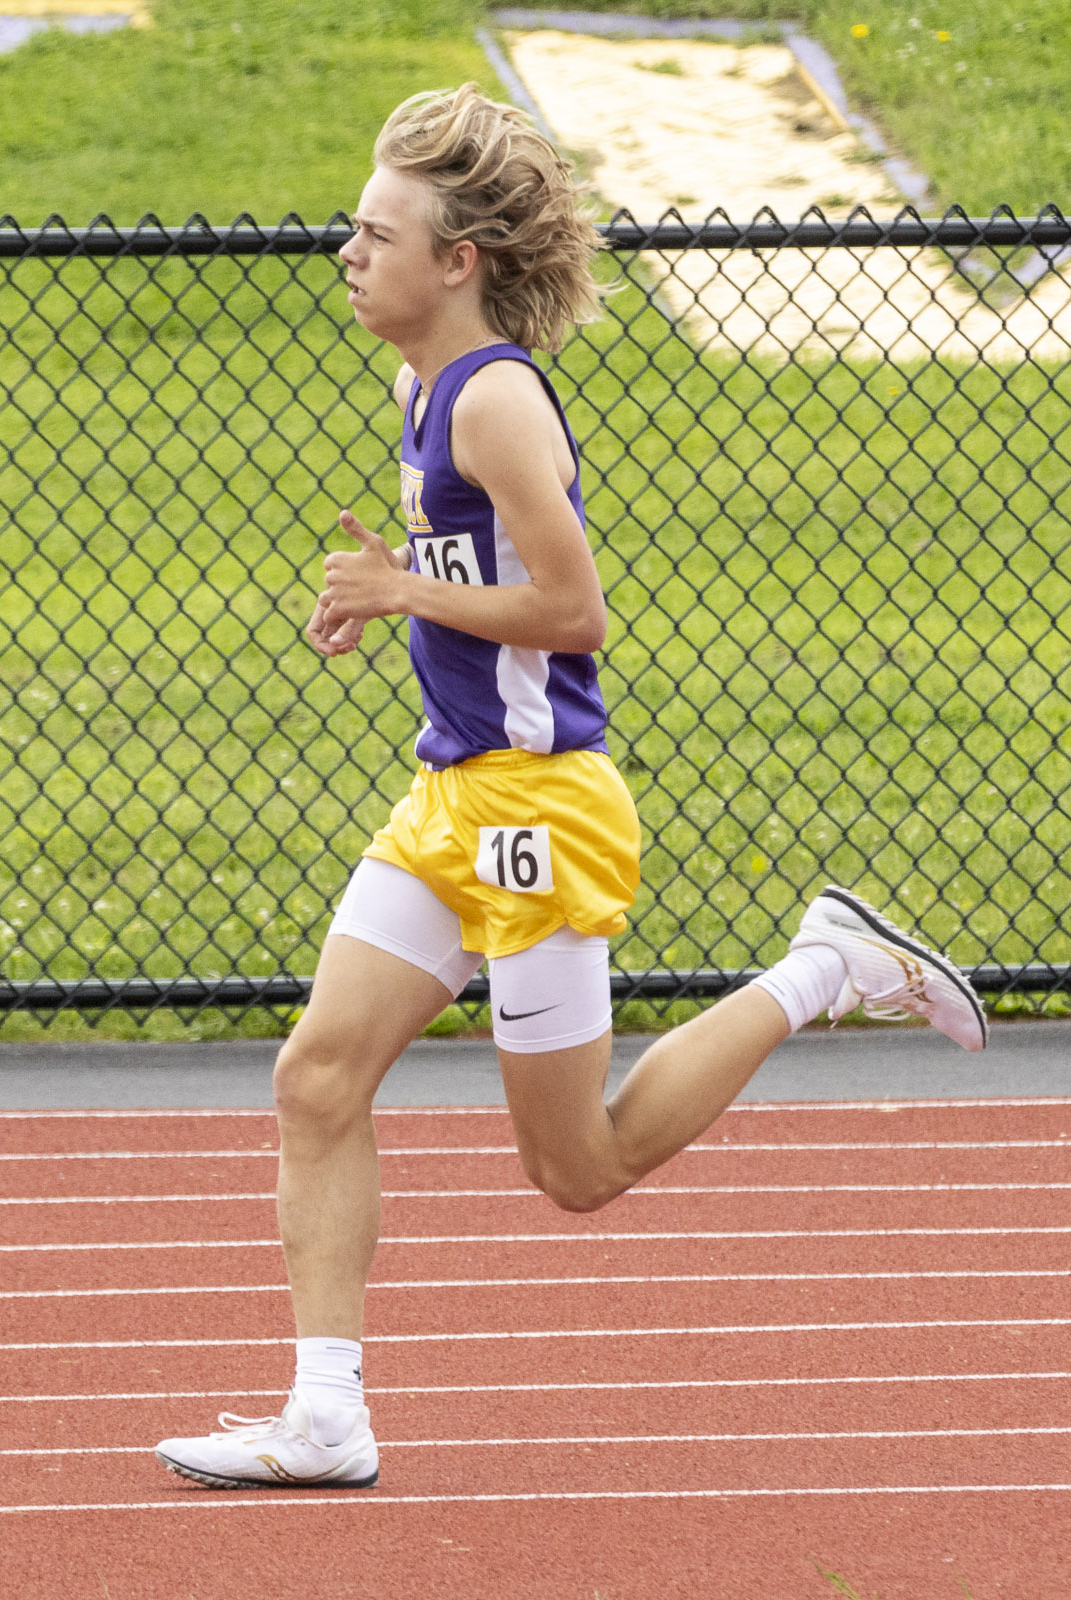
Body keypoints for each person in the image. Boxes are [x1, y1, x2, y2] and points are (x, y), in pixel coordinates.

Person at [153, 84, 985, 1491]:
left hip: (542, 810)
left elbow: (576, 611)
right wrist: (390, 603)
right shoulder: (416, 386)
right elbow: (472, 587)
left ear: (455, 260)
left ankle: (822, 969)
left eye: (374, 232)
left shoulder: (494, 409)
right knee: (317, 1078)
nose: (348, 252)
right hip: (453, 800)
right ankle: (327, 1415)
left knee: (578, 1170)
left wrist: (402, 585)